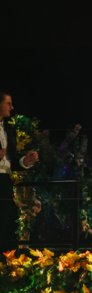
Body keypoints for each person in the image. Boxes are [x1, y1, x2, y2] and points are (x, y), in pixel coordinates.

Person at [0, 91, 40, 250]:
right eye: (8, 103)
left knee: (7, 222)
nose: (12, 107)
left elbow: (13, 161)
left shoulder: (8, 129)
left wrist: (26, 161)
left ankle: (6, 267)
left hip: (4, 181)